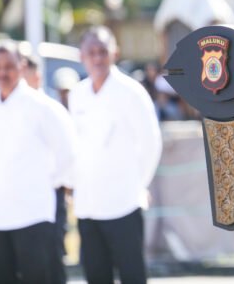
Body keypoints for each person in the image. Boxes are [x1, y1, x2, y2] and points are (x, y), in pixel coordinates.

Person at [69, 26, 162, 283]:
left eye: (103, 51)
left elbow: (151, 143)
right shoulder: (77, 94)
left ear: (115, 53)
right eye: (91, 52)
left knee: (132, 274)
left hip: (124, 203)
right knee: (95, 275)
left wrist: (137, 184)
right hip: (88, 205)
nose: (97, 58)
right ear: (81, 56)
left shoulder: (131, 91)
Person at [0, 41, 76, 284]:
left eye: (9, 66)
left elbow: (68, 153)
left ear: (21, 66)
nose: (3, 73)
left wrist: (49, 185)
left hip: (33, 215)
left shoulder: (44, 107)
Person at [19, 53, 74, 283]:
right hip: (21, 195)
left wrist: (61, 184)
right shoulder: (12, 110)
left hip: (50, 192)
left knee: (52, 257)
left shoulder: (50, 109)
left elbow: (67, 154)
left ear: (37, 76)